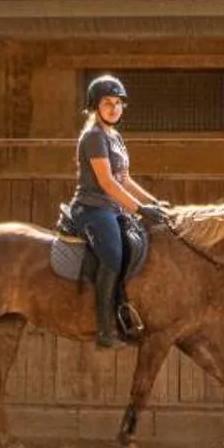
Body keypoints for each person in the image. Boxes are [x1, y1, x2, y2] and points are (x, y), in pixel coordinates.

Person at [68, 74, 171, 349]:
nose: (114, 108)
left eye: (117, 103)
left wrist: (154, 204)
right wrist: (139, 209)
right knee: (113, 255)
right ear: (95, 106)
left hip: (113, 209)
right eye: (107, 103)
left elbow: (124, 179)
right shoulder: (93, 137)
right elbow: (106, 182)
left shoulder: (115, 137)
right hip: (92, 209)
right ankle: (105, 329)